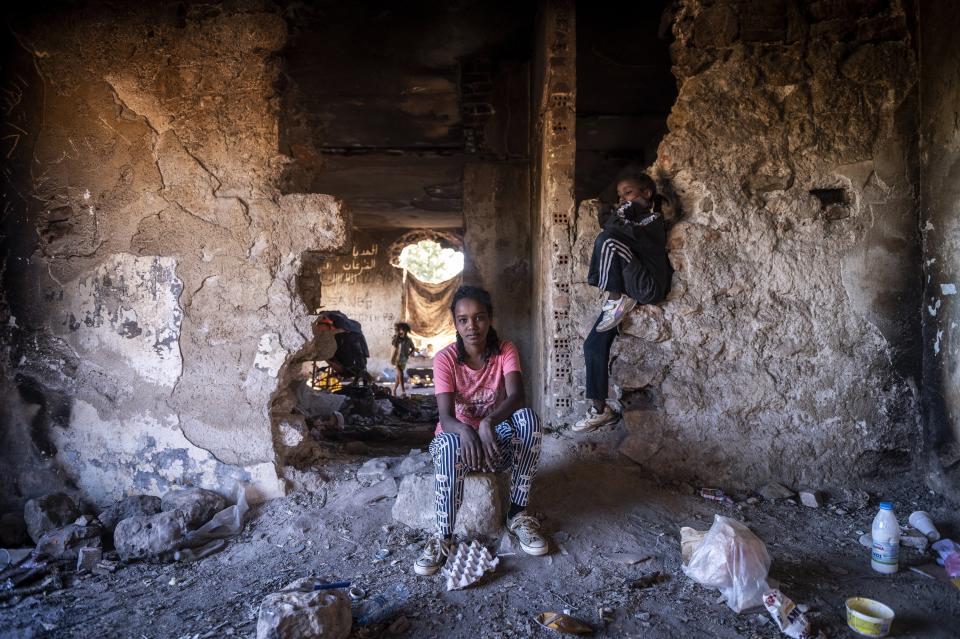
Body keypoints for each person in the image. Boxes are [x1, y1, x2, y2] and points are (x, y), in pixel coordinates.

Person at [414, 286, 548, 576]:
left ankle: (517, 514)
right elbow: (446, 417)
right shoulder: (445, 359)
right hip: (457, 448)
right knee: (449, 443)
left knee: (528, 419)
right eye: (463, 319)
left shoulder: (505, 350)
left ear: (490, 319)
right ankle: (443, 536)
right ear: (454, 322)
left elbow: (517, 397)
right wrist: (467, 431)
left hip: (492, 445)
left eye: (479, 318)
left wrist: (488, 423)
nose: (471, 326)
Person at [573, 172, 673, 433]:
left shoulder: (652, 220)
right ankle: (599, 409)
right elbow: (615, 226)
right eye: (620, 196)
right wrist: (618, 210)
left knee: (606, 241)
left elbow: (612, 228)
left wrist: (620, 210)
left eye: (628, 193)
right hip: (630, 289)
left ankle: (615, 299)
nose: (623, 200)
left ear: (647, 194)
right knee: (594, 343)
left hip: (647, 288)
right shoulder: (630, 226)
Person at [390, 322, 415, 397]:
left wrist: (409, 354)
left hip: (404, 360)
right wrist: (397, 337)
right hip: (396, 360)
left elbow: (413, 348)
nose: (403, 331)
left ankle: (394, 389)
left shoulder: (408, 340)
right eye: (401, 330)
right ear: (399, 330)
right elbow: (393, 347)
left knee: (398, 376)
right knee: (401, 373)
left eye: (405, 330)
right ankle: (403, 391)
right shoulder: (396, 339)